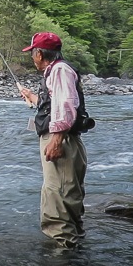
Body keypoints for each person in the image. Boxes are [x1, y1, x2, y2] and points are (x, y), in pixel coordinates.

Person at [19, 32, 91, 249]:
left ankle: (63, 255)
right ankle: (74, 251)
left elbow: (66, 106)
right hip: (66, 140)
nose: (32, 58)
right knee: (68, 198)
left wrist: (56, 139)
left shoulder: (59, 71)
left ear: (39, 53)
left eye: (32, 53)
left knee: (57, 201)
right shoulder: (58, 71)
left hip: (62, 141)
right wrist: (33, 98)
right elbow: (55, 102)